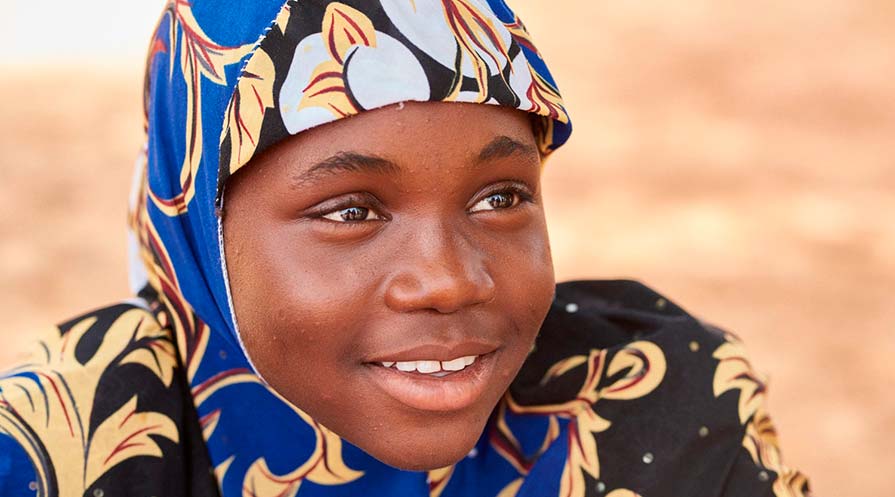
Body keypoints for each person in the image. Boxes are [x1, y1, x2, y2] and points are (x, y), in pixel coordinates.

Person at [0, 1, 811, 496]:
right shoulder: (65, 453)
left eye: (500, 197)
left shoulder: (662, 424)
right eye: (350, 210)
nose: (450, 280)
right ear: (198, 244)